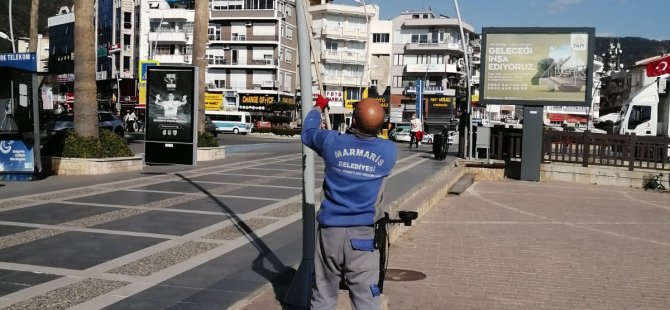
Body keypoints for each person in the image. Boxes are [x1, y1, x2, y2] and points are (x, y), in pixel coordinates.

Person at [302, 96, 397, 309]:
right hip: (363, 237)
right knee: (366, 299)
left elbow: (307, 133)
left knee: (324, 294)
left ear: (353, 121)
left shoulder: (331, 141)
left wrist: (319, 106)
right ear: (382, 127)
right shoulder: (389, 151)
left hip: (330, 235)